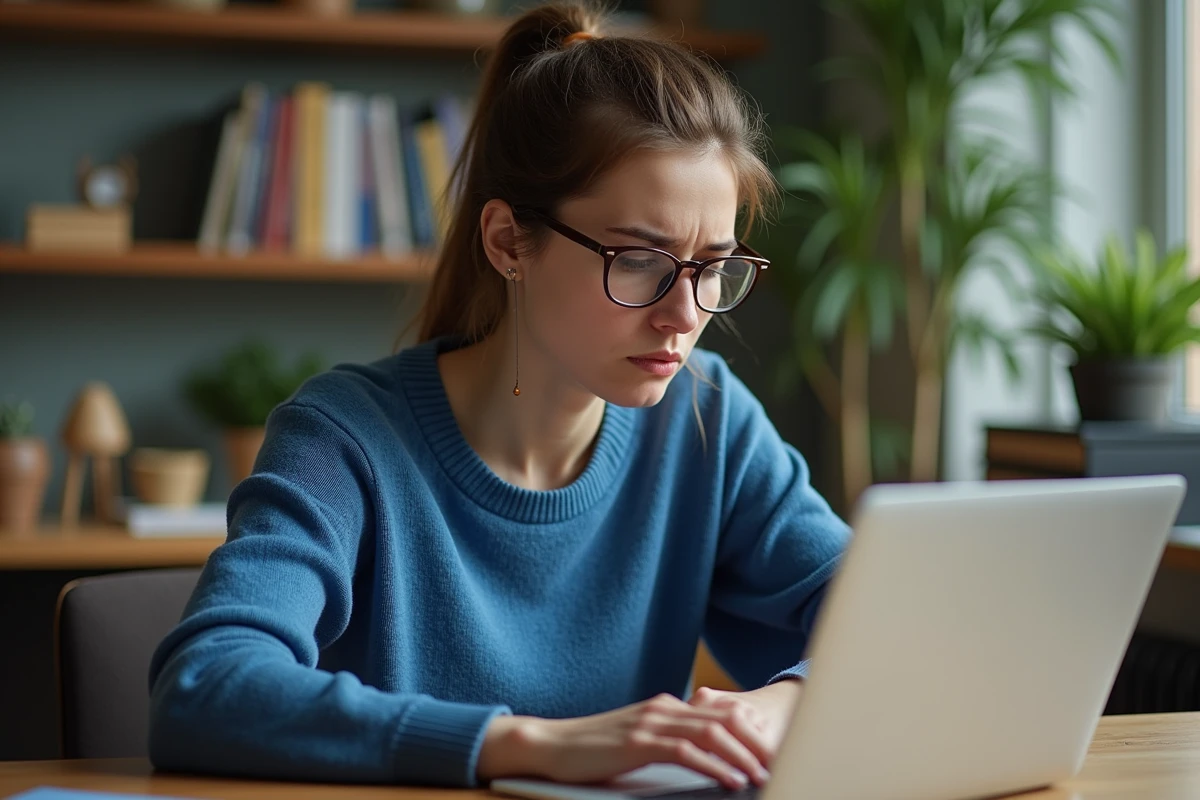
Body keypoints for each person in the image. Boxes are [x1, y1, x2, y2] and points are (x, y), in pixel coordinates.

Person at [147, 0, 849, 791]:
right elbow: (204, 689)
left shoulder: (708, 418)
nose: (686, 315)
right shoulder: (344, 439)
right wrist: (532, 745)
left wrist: (779, 708)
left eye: (712, 265)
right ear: (509, 242)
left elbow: (886, 621)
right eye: (641, 260)